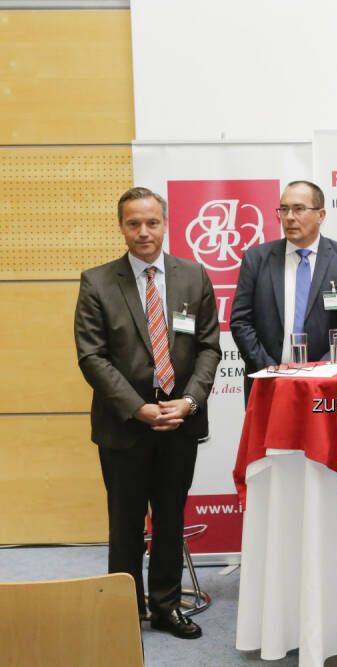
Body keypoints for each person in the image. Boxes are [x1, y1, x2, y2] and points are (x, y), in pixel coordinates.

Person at [74, 187, 221, 638]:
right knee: (125, 523)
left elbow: (209, 348)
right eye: (134, 223)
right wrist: (137, 408)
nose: (143, 232)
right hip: (125, 426)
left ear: (165, 223)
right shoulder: (98, 282)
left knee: (170, 518)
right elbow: (92, 356)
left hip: (179, 423)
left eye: (152, 222)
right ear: (121, 227)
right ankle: (122, 609)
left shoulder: (194, 276)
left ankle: (165, 606)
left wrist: (190, 401)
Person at [230, 180, 337, 399]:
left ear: (321, 215)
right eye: (284, 209)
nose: (289, 217)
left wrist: (323, 367)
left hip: (328, 384)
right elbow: (241, 321)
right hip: (269, 384)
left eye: (298, 209)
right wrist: (269, 369)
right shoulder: (256, 258)